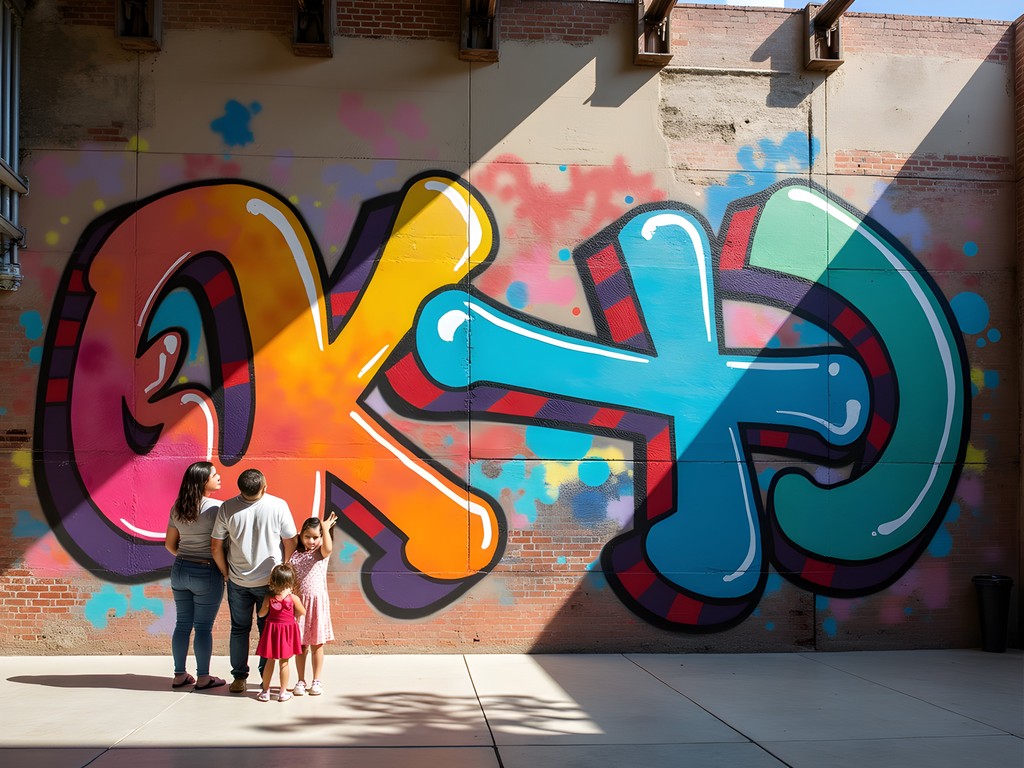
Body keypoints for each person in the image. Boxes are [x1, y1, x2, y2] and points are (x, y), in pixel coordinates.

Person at [211, 468, 298, 694]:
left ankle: (239, 678)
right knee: (266, 628)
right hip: (270, 583)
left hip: (238, 581)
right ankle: (264, 678)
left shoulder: (227, 508)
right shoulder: (278, 505)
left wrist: (225, 571)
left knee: (239, 629)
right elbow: (291, 541)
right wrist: (283, 567)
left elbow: (215, 546)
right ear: (264, 486)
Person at [164, 461, 227, 691]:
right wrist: (224, 570)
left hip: (180, 568)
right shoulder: (217, 509)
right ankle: (203, 677)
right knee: (202, 627)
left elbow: (170, 545)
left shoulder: (178, 506)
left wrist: (185, 556)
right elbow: (218, 547)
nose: (219, 477)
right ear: (203, 482)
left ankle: (179, 674)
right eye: (214, 474)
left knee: (182, 624)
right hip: (206, 571)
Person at [289, 512, 336, 696]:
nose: (311, 541)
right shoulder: (295, 554)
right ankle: (301, 680)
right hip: (299, 605)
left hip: (317, 604)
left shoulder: (321, 554)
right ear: (301, 535)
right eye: (307, 536)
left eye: (316, 537)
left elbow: (329, 548)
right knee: (300, 645)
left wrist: (325, 528)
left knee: (317, 643)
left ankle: (317, 680)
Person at [255, 564, 305, 702]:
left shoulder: (269, 597)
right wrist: (292, 616)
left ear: (273, 581)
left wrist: (264, 611)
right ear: (290, 582)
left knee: (270, 661)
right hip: (287, 631)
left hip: (272, 631)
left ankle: (265, 691)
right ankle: (283, 693)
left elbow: (261, 613)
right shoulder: (293, 598)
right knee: (284, 662)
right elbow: (303, 611)